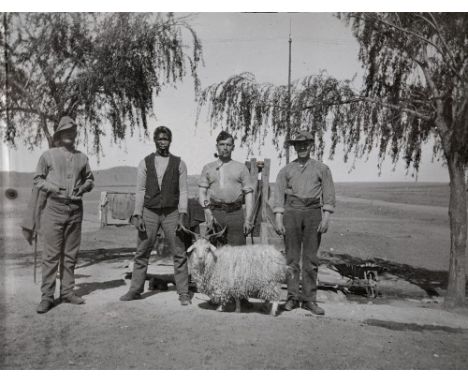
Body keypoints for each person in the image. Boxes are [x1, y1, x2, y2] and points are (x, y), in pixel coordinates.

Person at [120, 126, 191, 305]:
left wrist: (182, 214)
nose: (162, 142)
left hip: (171, 212)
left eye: (165, 139)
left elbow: (183, 191)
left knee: (179, 252)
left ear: (170, 141)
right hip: (149, 212)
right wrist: (138, 214)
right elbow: (141, 189)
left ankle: (183, 292)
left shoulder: (179, 163)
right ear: (154, 140)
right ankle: (135, 290)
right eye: (159, 139)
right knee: (142, 250)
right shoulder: (145, 163)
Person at [34, 116, 94, 314]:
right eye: (65, 131)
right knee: (51, 256)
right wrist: (54, 188)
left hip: (76, 210)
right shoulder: (48, 156)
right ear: (59, 135)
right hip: (54, 208)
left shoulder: (82, 157)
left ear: (75, 134)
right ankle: (47, 297)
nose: (69, 134)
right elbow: (38, 180)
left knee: (70, 255)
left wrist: (83, 187)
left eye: (72, 131)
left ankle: (67, 292)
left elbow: (90, 180)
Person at [273, 130, 336, 315]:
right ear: (294, 147)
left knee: (310, 259)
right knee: (292, 258)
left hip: (313, 213)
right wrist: (278, 217)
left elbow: (329, 194)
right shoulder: (286, 170)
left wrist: (326, 216)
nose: (302, 147)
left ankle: (309, 299)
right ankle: (292, 298)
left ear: (311, 146)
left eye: (306, 144)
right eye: (298, 144)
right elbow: (278, 195)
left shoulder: (322, 169)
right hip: (292, 212)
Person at [198, 131, 254, 245]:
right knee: (213, 253)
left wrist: (248, 219)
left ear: (233, 147)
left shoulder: (241, 168)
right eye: (222, 144)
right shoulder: (208, 168)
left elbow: (249, 194)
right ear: (217, 146)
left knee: (238, 253)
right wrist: (207, 211)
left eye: (228, 145)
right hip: (215, 214)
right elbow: (202, 192)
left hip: (235, 214)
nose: (225, 148)